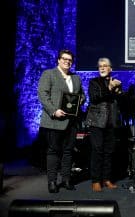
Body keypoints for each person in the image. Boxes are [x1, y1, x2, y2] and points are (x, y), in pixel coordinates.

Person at [38, 49, 86, 193]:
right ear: (58, 60)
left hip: (71, 122)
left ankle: (66, 180)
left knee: (68, 152)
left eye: (70, 60)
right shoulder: (49, 74)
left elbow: (81, 95)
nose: (67, 61)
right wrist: (54, 110)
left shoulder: (76, 78)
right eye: (64, 59)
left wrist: (79, 102)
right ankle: (52, 182)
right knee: (53, 152)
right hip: (54, 121)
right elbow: (42, 94)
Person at [85, 57, 123, 192]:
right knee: (97, 150)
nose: (102, 67)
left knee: (109, 151)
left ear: (110, 69)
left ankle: (106, 179)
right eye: (100, 66)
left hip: (111, 122)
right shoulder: (93, 82)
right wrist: (110, 88)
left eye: (105, 65)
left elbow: (119, 102)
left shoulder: (116, 83)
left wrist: (118, 90)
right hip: (96, 122)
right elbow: (95, 98)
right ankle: (96, 180)